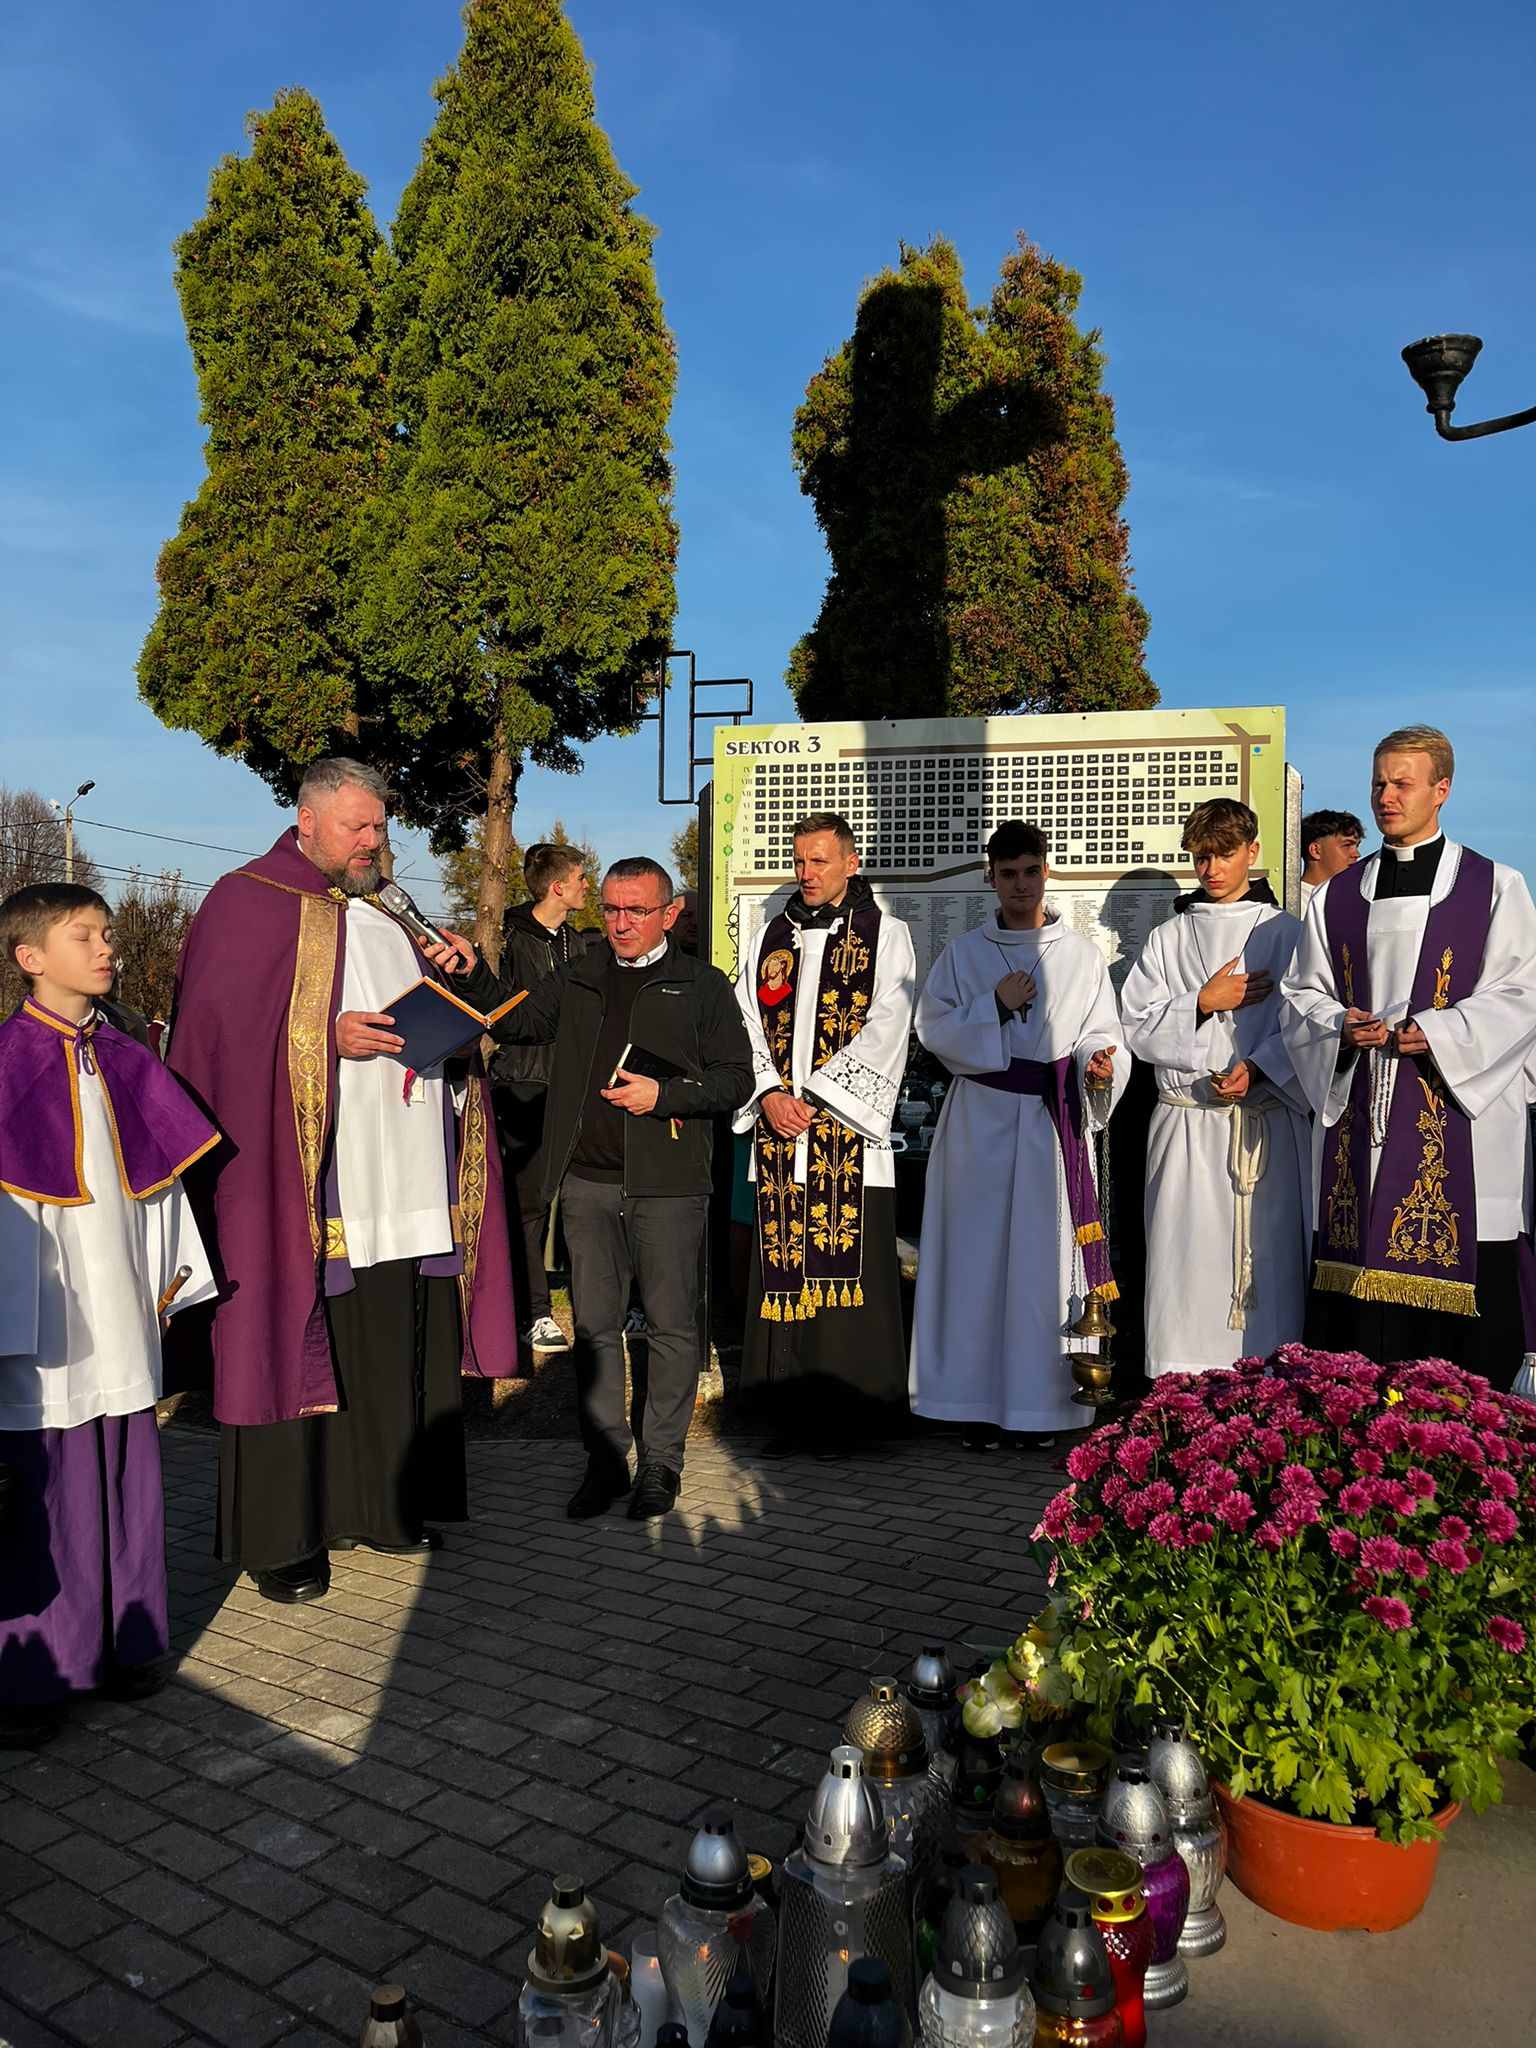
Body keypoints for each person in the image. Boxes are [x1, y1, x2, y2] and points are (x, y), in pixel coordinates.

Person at [166, 759, 518, 1604]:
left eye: (380, 827)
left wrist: (462, 986)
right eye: (358, 827)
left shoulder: (394, 915)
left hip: (405, 1170)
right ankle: (284, 1537)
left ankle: (387, 1507)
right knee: (287, 1342)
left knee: (393, 1340)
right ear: (307, 819)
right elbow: (212, 1039)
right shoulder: (244, 901)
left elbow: (472, 1023)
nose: (373, 842)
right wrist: (325, 1036)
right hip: (305, 1181)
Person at [443, 857, 752, 1520]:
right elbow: (519, 1024)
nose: (619, 923)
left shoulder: (701, 985)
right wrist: (475, 975)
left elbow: (735, 1081)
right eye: (610, 909)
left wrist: (664, 1094)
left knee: (670, 1329)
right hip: (584, 1184)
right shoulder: (576, 976)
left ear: (669, 914)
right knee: (595, 1331)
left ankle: (661, 1465)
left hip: (669, 1186)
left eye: (635, 910)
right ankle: (606, 1462)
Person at [0, 884, 217, 1742]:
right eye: (83, 935)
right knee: (41, 1495)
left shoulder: (124, 1056)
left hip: (122, 1310)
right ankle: (33, 1673)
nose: (106, 949)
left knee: (127, 1478)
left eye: (108, 935)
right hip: (42, 1326)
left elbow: (157, 1186)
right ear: (29, 957)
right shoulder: (7, 1063)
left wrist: (167, 1282)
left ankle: (127, 1643)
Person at [1280, 725, 1536, 1388]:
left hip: (1456, 1117)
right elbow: (1300, 994)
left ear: (1441, 790)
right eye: (1378, 782)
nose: (1385, 796)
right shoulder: (1336, 897)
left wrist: (1444, 1033)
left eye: (1402, 782)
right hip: (1360, 1116)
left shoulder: (1497, 887)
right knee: (1359, 1311)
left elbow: (1522, 992)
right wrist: (1339, 1027)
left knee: (1461, 1328)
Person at [909, 822, 1127, 1447]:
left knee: (1040, 1265)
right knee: (975, 1263)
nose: (1020, 886)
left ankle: (1039, 1409)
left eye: (1030, 871)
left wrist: (1097, 1063)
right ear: (991, 878)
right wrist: (994, 1007)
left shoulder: (1081, 954)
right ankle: (973, 1403)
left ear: (1046, 871)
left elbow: (1099, 1029)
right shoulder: (966, 952)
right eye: (1008, 875)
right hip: (980, 1118)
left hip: (1048, 1125)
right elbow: (933, 1028)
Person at [733, 813, 916, 1455]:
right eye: (799, 861)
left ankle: (853, 1423)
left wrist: (817, 1097)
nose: (807, 874)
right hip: (781, 1135)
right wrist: (768, 1093)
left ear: (850, 862)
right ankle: (790, 1419)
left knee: (848, 1280)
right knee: (787, 1275)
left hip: (847, 1137)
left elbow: (890, 1022)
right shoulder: (767, 938)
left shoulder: (886, 936)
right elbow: (745, 1022)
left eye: (820, 861)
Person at [1122, 798, 1311, 1376]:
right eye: (1201, 857)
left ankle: (1270, 1390)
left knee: (1268, 1258)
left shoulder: (1289, 933)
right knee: (1186, 1261)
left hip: (1264, 1121)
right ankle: (1177, 1389)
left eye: (1225, 854)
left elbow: (1310, 1018)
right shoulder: (1168, 937)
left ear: (1253, 852)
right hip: (1187, 1122)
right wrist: (1202, 1002)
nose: (1211, 869)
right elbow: (1134, 1023)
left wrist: (1259, 1067)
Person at [489, 841, 595, 1354]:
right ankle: (533, 1312)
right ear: (558, 886)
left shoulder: (579, 944)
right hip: (523, 1085)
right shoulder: (508, 940)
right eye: (580, 877)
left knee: (586, 1197)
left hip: (574, 1086)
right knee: (528, 1204)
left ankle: (606, 1302)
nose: (586, 885)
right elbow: (506, 1017)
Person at [1300, 808, 1365, 909]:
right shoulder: (1292, 904)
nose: (1356, 854)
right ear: (1315, 851)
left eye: (1357, 846)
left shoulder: (1352, 902)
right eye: (1347, 845)